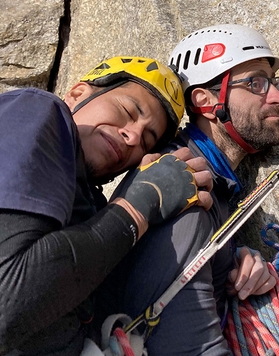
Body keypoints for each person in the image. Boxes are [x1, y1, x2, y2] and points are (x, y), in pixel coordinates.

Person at [0, 56, 213, 356]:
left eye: (147, 141)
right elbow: (6, 302)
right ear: (78, 94)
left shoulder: (92, 208)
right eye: (127, 111)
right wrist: (138, 206)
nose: (133, 136)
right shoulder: (36, 111)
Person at [96, 25, 279, 355]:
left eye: (274, 83)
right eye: (256, 83)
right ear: (206, 100)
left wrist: (236, 262)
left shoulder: (211, 181)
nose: (278, 97)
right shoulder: (180, 188)